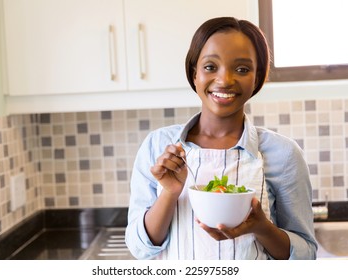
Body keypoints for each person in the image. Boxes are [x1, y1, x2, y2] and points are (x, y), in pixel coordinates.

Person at [125, 17, 317, 260]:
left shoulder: (284, 153)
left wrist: (261, 227)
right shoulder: (157, 146)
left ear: (257, 78)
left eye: (242, 69)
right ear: (194, 74)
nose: (225, 80)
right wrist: (169, 193)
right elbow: (139, 247)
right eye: (210, 67)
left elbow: (306, 255)